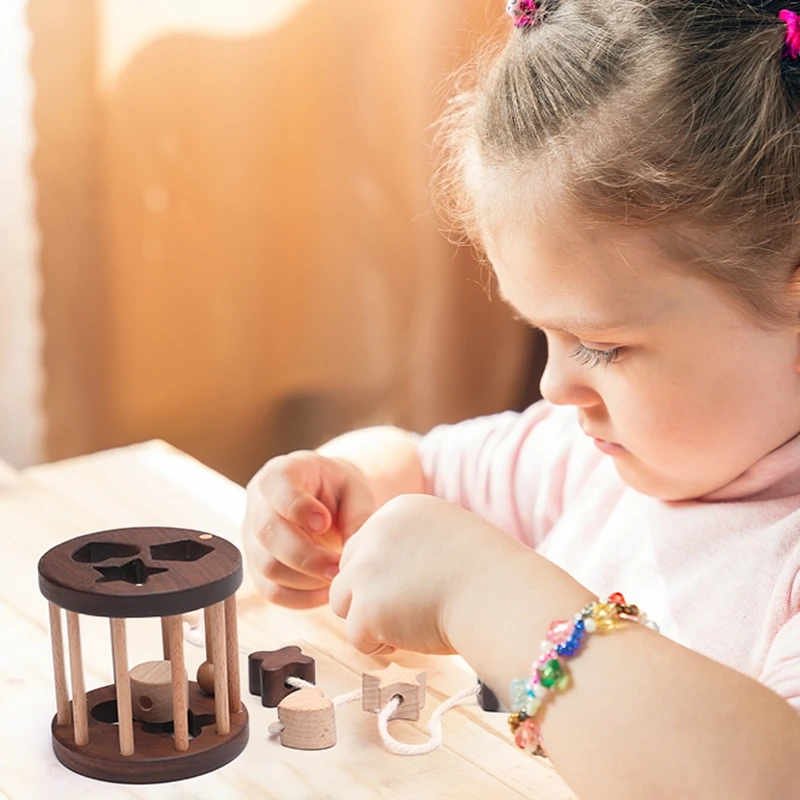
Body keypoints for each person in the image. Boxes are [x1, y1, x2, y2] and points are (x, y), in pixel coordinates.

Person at [243, 2, 800, 797]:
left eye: (602, 345)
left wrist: (484, 590)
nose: (553, 385)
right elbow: (415, 469)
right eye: (542, 332)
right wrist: (327, 491)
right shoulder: (587, 456)